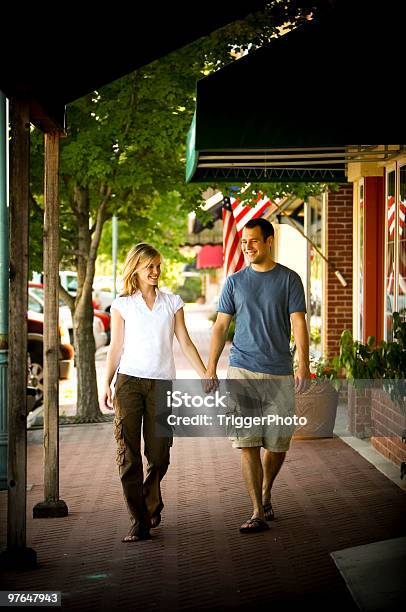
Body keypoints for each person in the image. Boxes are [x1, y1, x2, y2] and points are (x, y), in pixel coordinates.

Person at [206, 218, 310, 533]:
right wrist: (211, 366)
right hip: (241, 369)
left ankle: (266, 491)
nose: (247, 247)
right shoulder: (235, 282)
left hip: (279, 371)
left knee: (278, 444)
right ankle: (256, 511)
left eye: (253, 241)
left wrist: (302, 364)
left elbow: (298, 323)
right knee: (247, 442)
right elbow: (221, 326)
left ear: (268, 241)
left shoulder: (289, 279)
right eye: (243, 242)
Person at [101, 243, 208, 542]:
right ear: (135, 267)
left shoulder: (172, 302)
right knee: (128, 455)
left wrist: (204, 373)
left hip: (162, 385)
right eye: (149, 266)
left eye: (158, 265)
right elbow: (116, 347)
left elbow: (185, 341)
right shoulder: (122, 305)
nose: (155, 271)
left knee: (160, 455)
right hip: (129, 383)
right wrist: (105, 384)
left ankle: (150, 499)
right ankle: (139, 520)